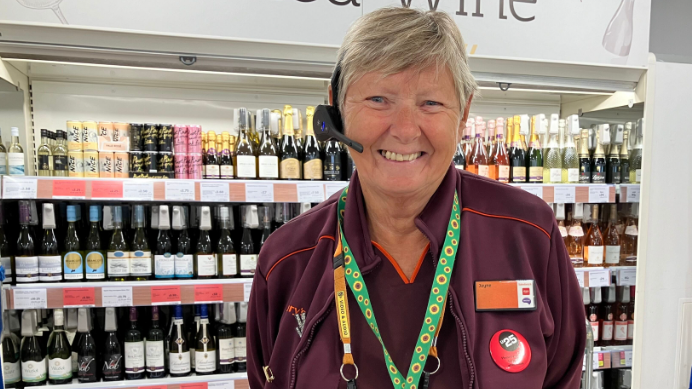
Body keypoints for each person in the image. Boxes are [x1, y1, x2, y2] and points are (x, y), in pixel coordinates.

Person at [247, 7, 585, 389]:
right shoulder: (287, 259)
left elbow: (564, 374)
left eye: (430, 103)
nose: (405, 131)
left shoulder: (527, 233)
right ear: (337, 107)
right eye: (378, 99)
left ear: (464, 113)